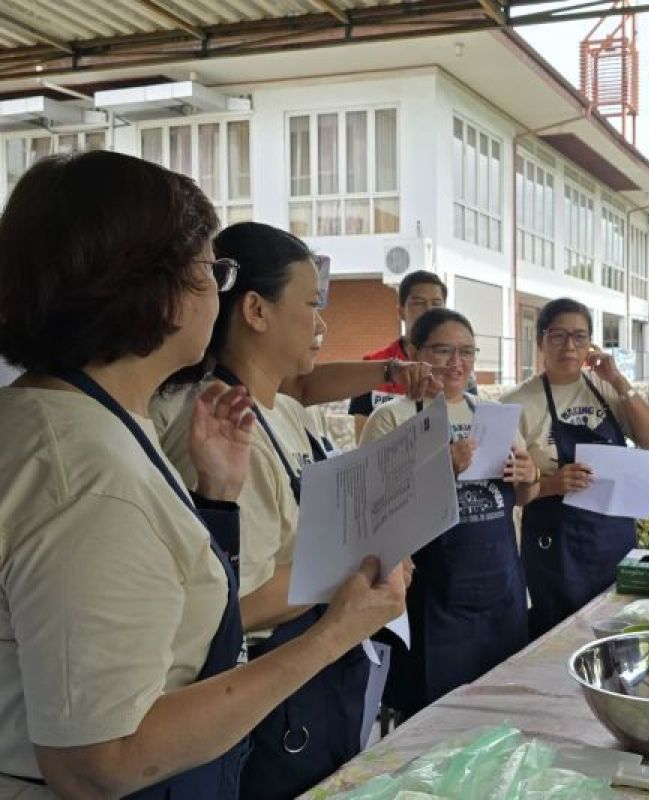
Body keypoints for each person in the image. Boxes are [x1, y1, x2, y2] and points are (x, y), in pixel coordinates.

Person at [0, 151, 408, 798]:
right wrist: (334, 633)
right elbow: (99, 761)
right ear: (153, 292)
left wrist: (213, 501)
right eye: (208, 271)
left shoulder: (75, 417)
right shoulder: (91, 478)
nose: (216, 294)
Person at [160, 222, 432, 799]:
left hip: (315, 680)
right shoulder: (220, 425)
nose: (321, 324)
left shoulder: (285, 409)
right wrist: (359, 568)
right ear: (256, 310)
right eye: (311, 304)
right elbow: (239, 603)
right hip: (268, 697)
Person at [360, 308, 537, 716]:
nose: (456, 363)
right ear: (413, 351)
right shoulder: (392, 419)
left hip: (501, 591)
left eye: (466, 352)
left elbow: (523, 497)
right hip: (433, 597)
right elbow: (372, 513)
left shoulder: (492, 416)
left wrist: (528, 475)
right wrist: (443, 468)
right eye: (443, 350)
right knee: (433, 721)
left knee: (499, 713)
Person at [502, 299, 649, 638]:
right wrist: (552, 484)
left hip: (614, 542)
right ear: (541, 341)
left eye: (579, 337)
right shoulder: (516, 404)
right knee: (559, 641)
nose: (569, 346)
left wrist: (618, 379)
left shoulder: (605, 388)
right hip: (555, 551)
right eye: (559, 336)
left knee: (618, 636)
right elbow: (509, 497)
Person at [348, 270, 458, 440]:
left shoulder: (457, 368)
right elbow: (363, 442)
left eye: (436, 303)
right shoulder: (373, 365)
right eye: (418, 303)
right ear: (400, 312)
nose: (428, 311)